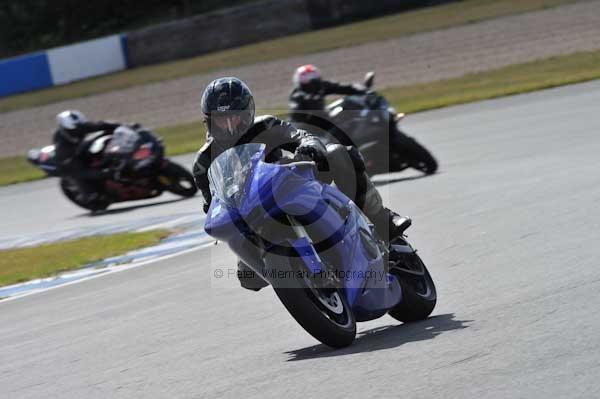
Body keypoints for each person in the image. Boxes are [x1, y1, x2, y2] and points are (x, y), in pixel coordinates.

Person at [193, 77, 410, 290]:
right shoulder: (203, 164)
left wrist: (309, 145)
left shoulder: (266, 125)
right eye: (222, 120)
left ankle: (382, 220)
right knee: (248, 276)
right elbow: (212, 205)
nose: (230, 126)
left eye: (235, 118)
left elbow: (299, 135)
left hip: (293, 184)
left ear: (248, 112)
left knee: (338, 153)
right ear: (209, 121)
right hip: (253, 216)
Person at [53, 110, 121, 204]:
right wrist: (101, 173)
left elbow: (98, 125)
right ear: (65, 128)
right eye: (75, 129)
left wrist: (118, 126)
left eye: (80, 126)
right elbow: (71, 163)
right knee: (82, 172)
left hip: (80, 150)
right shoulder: (62, 144)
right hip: (68, 161)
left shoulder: (79, 126)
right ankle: (89, 195)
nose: (79, 130)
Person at [289, 64, 368, 142]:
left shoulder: (321, 86)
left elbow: (341, 87)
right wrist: (307, 101)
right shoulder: (297, 96)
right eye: (311, 83)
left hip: (324, 120)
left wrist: (362, 90)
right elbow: (296, 116)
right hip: (308, 131)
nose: (314, 85)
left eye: (315, 81)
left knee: (346, 116)